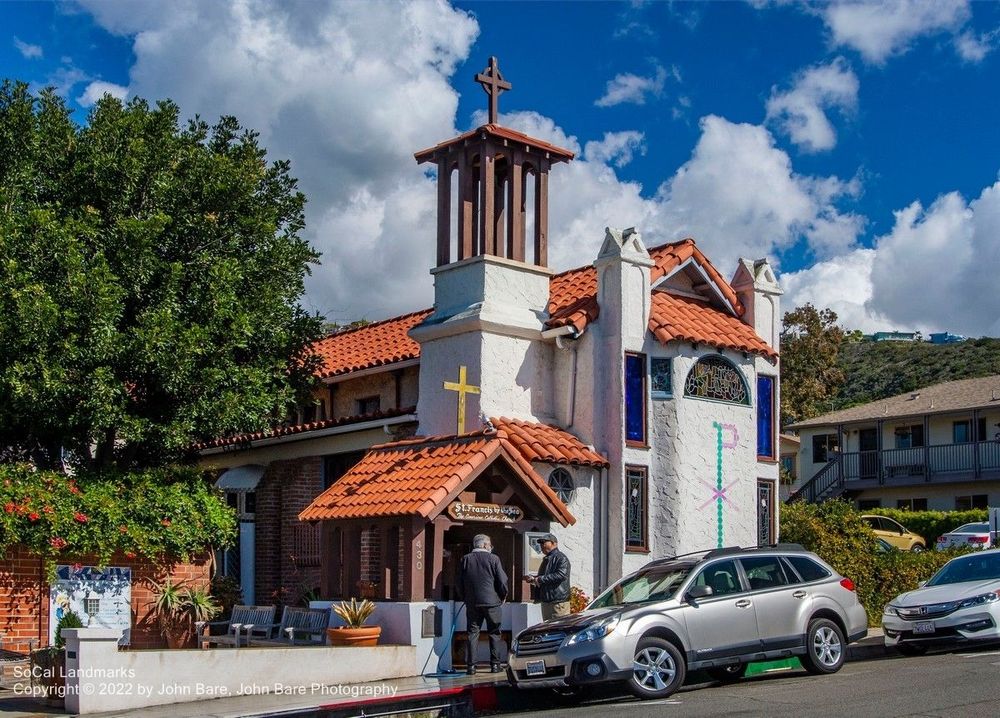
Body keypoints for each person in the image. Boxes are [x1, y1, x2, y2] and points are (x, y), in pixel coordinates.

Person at [457, 534, 508, 674]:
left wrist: (465, 598)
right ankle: (495, 665)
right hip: (492, 602)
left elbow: (459, 582)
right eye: (489, 544)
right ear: (485, 545)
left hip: (472, 603)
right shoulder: (493, 559)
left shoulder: (465, 559)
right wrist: (503, 595)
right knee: (494, 632)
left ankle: (471, 667)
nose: (490, 546)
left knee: (472, 633)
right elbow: (502, 581)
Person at [527, 533, 571, 620]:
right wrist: (534, 579)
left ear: (554, 543)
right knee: (548, 629)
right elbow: (546, 576)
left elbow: (561, 575)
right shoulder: (548, 558)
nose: (542, 545)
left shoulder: (561, 558)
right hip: (547, 600)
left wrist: (540, 579)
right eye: (540, 543)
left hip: (558, 601)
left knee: (558, 628)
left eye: (544, 542)